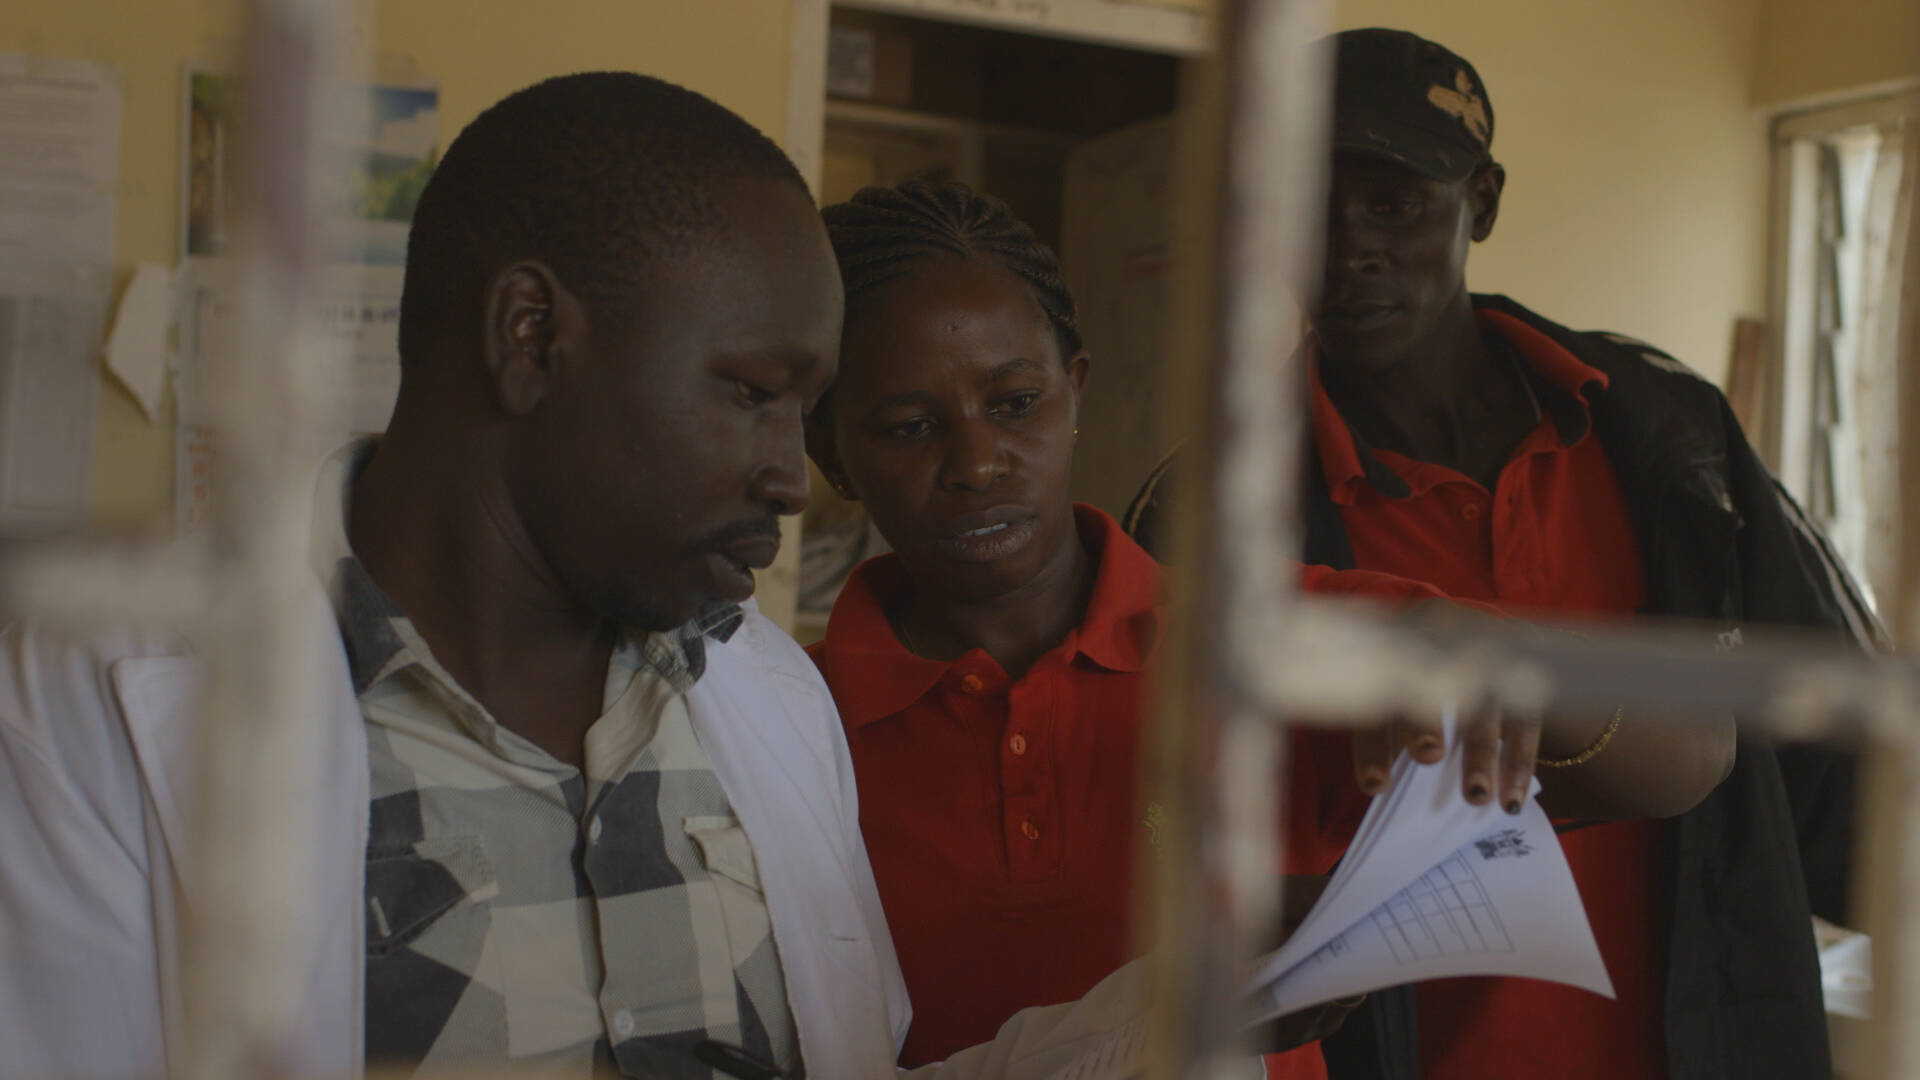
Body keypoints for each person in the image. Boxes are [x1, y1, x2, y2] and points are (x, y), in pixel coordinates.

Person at [0, 73, 1186, 1080]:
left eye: (805, 411)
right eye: (750, 395)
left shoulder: (767, 699)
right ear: (531, 338)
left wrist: (1160, 1026)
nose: (790, 476)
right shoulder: (98, 697)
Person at [801, 179, 1731, 1078]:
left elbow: (1693, 751)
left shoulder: (1270, 638)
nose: (978, 461)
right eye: (909, 426)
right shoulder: (790, 724)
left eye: (1015, 403)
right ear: (832, 455)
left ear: (1074, 390)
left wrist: (1488, 653)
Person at [1125, 28, 1880, 1080]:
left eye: (1393, 202)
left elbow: (1836, 760)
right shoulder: (1216, 511)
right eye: (1306, 206)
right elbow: (1156, 819)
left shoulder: (1667, 438)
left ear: (1481, 201)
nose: (1348, 250)